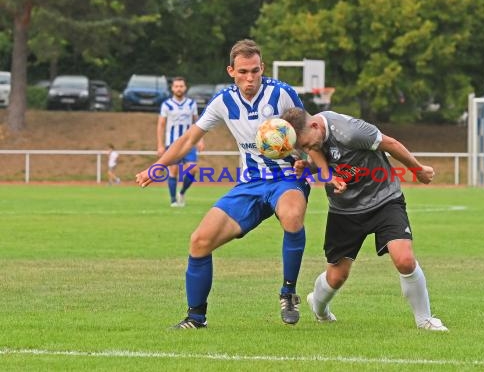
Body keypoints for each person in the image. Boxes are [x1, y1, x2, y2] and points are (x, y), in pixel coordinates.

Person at [136, 39, 309, 329]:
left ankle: (287, 292)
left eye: (255, 71)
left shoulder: (282, 94)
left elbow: (310, 131)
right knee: (199, 241)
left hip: (286, 178)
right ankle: (196, 318)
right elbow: (189, 139)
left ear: (262, 68)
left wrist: (314, 163)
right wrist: (158, 166)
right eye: (243, 72)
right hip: (249, 185)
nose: (250, 78)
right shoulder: (222, 101)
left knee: (292, 216)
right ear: (231, 71)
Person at [281, 107, 448, 331]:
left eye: (307, 145)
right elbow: (322, 158)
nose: (307, 150)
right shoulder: (313, 137)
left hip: (385, 199)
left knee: (405, 259)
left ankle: (424, 319)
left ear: (314, 126)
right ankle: (319, 307)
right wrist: (311, 168)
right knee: (337, 276)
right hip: (345, 210)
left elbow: (391, 144)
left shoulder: (351, 132)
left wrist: (417, 169)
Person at [157, 77, 204, 207]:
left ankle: (182, 192)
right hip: (171, 143)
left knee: (193, 169)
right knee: (173, 171)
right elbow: (161, 125)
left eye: (181, 86)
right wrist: (160, 145)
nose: (179, 88)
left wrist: (200, 139)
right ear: (172, 88)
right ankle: (173, 200)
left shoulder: (191, 104)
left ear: (185, 87)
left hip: (189, 143)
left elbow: (198, 123)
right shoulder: (166, 105)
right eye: (176, 86)